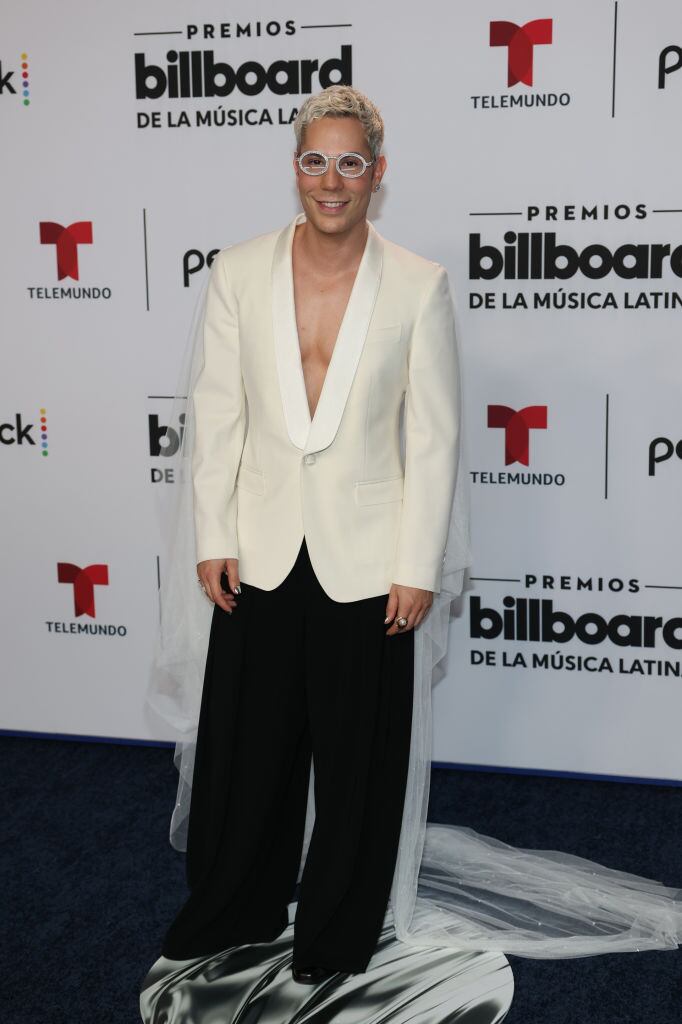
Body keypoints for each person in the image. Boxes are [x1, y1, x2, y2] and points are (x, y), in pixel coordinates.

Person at [147, 84, 682, 990]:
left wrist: (415, 563)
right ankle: (234, 904)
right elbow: (216, 414)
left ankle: (338, 931)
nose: (331, 179)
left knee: (359, 763)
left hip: (369, 557)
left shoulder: (419, 284)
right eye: (315, 159)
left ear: (377, 175)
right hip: (261, 547)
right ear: (295, 168)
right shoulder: (237, 271)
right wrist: (212, 535)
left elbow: (432, 440)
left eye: (350, 162)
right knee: (251, 750)